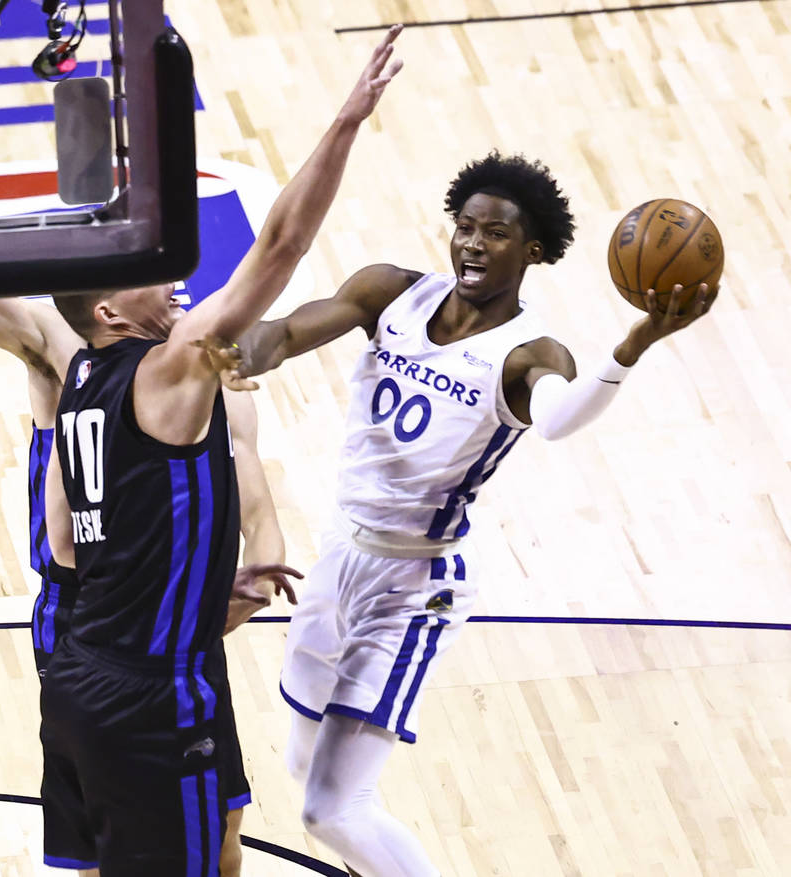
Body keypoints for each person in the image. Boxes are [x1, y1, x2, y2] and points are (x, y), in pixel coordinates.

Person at [0, 35, 302, 876]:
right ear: (106, 298)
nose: (170, 268)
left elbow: (247, 466)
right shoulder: (67, 347)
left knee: (226, 836)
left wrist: (263, 557)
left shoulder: (197, 357)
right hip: (92, 630)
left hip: (181, 629)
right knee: (106, 851)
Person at [226, 151, 717, 876]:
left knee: (332, 808)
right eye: (466, 226)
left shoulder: (528, 352)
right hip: (337, 557)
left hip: (415, 583)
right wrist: (247, 350)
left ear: (534, 250)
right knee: (303, 763)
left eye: (496, 232)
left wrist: (633, 344)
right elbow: (291, 329)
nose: (474, 243)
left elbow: (555, 420)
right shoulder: (391, 293)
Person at [37, 26, 405, 875]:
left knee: (201, 848)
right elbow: (278, 251)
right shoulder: (167, 370)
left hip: (87, 670)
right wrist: (346, 121)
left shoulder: (80, 381)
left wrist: (188, 583)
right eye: (146, 270)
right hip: (154, 692)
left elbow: (65, 542)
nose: (172, 275)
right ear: (108, 312)